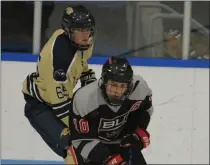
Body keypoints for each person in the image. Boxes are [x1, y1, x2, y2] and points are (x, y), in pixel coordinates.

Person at [22, 5, 96, 164]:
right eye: (79, 30)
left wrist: (87, 75)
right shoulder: (59, 61)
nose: (85, 35)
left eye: (88, 29)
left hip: (59, 100)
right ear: (69, 31)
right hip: (41, 107)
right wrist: (85, 130)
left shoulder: (80, 42)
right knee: (74, 144)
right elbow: (61, 106)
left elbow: (80, 62)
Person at [68, 56, 154, 165]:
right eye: (113, 85)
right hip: (90, 146)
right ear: (104, 82)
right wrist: (107, 158)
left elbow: (145, 110)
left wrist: (139, 131)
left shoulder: (140, 88)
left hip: (121, 142)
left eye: (123, 86)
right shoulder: (85, 99)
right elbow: (80, 140)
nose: (118, 91)